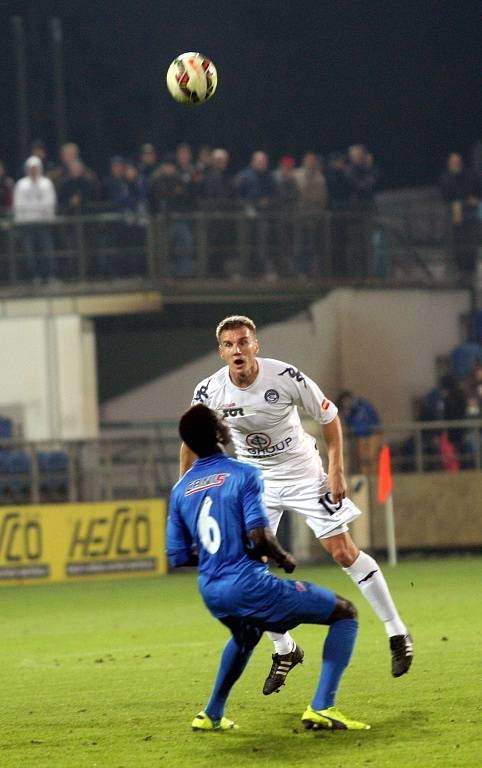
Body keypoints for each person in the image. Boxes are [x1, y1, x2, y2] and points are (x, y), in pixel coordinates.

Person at [180, 315, 412, 695]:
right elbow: (191, 442)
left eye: (243, 342)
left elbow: (330, 418)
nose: (237, 350)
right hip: (256, 482)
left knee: (342, 552)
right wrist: (184, 488)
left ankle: (396, 631)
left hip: (304, 472)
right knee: (245, 574)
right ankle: (285, 649)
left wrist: (336, 469)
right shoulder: (208, 391)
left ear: (256, 346)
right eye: (229, 345)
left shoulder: (285, 377)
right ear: (221, 352)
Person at [168, 404, 370, 731]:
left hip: (211, 591)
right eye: (221, 421)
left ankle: (211, 714)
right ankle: (323, 707)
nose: (226, 423)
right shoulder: (244, 473)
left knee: (247, 634)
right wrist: (284, 559)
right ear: (220, 433)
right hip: (249, 585)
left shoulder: (180, 490)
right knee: (345, 613)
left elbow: (177, 556)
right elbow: (260, 536)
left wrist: (217, 558)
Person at [13, 156, 57, 281]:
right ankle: (34, 275)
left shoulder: (46, 183)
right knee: (29, 251)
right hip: (27, 224)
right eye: (31, 168)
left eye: (35, 168)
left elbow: (50, 203)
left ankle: (50, 274)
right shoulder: (21, 184)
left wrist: (46, 216)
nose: (33, 171)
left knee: (47, 249)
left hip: (43, 223)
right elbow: (19, 204)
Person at [337, 390, 381, 475]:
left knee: (372, 458)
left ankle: (373, 477)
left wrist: (375, 430)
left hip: (372, 434)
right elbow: (349, 425)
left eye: (347, 401)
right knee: (363, 459)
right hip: (360, 436)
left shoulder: (363, 406)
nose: (346, 404)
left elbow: (374, 417)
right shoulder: (347, 413)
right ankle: (365, 477)